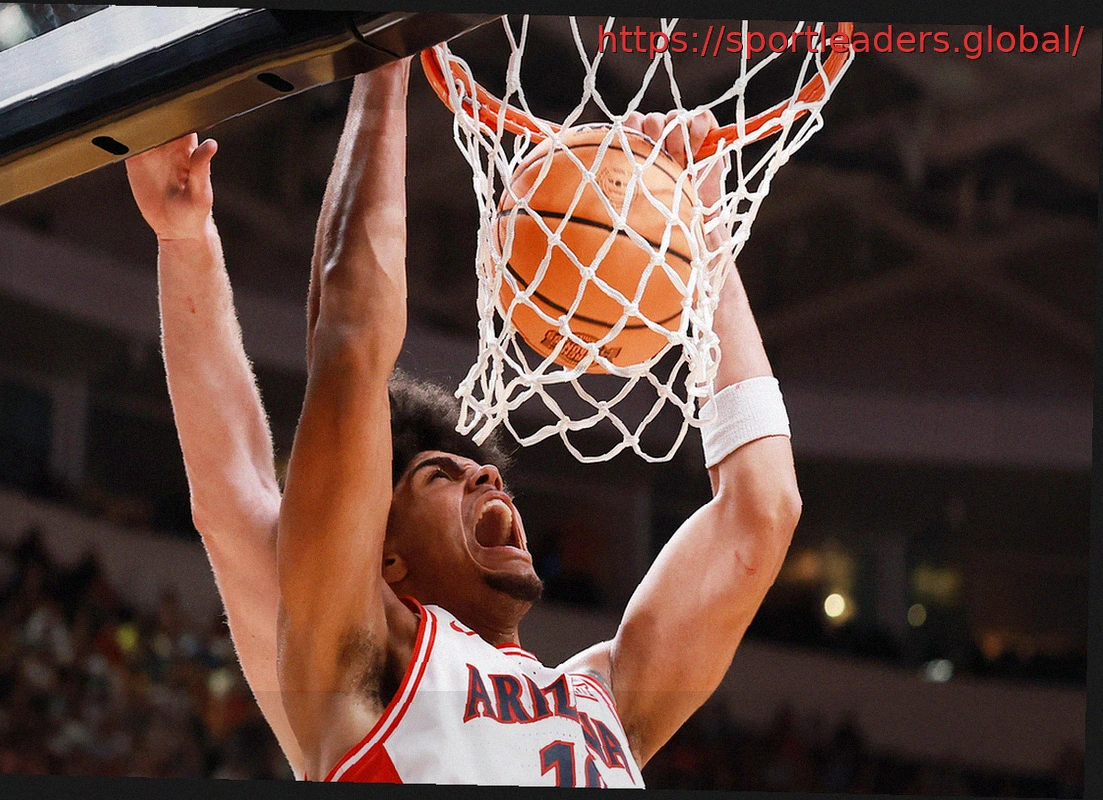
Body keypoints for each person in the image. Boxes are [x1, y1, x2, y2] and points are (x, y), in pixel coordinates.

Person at [124, 56, 800, 786]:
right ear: (383, 556)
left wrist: (703, 231)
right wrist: (382, 64)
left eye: (479, 471)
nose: (487, 476)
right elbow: (348, 350)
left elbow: (763, 511)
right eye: (440, 476)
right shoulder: (362, 663)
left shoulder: (602, 699)